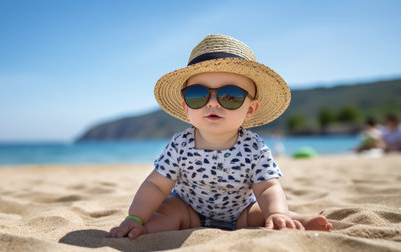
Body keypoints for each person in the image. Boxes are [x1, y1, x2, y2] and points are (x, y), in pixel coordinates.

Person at [109, 34, 332, 239]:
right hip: (189, 211)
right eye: (198, 95)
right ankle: (143, 229)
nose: (213, 103)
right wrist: (135, 216)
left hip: (241, 212)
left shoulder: (254, 147)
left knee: (265, 213)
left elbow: (267, 188)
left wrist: (276, 211)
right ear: (185, 106)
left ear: (251, 109)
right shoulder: (179, 145)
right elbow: (156, 186)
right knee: (168, 211)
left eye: (231, 96)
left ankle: (292, 219)